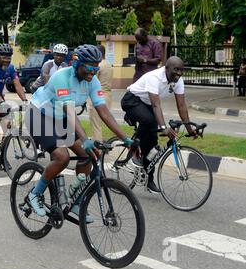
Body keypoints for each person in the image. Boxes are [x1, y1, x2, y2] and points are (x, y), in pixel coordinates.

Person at [25, 44, 134, 220]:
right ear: (77, 64)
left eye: (96, 67)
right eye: (89, 67)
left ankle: (75, 200)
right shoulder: (62, 77)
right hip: (39, 115)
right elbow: (69, 111)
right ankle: (34, 194)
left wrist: (125, 138)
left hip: (60, 117)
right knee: (62, 157)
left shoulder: (93, 81)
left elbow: (103, 111)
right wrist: (84, 138)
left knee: (87, 155)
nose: (93, 72)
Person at [121, 56, 199, 194]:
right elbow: (156, 105)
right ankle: (134, 153)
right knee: (150, 121)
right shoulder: (155, 77)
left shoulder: (178, 81)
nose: (179, 73)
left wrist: (189, 129)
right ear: (166, 68)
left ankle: (148, 179)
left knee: (153, 145)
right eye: (176, 70)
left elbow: (181, 106)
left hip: (147, 105)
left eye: (182, 70)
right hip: (132, 100)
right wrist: (163, 128)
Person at [86, 45, 113, 141]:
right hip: (108, 96)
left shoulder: (98, 66)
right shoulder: (109, 64)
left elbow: (91, 81)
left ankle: (98, 150)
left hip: (97, 96)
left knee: (96, 126)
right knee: (100, 124)